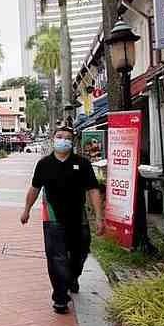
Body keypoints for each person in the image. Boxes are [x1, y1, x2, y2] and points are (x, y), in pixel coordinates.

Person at [20, 125, 105, 314]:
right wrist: (26, 209)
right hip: (53, 218)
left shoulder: (82, 164)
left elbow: (92, 190)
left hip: (78, 217)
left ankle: (72, 277)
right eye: (59, 136)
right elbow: (35, 189)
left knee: (80, 253)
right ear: (53, 139)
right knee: (57, 258)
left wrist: (99, 217)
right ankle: (60, 297)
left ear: (73, 141)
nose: (63, 140)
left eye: (67, 137)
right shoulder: (44, 164)